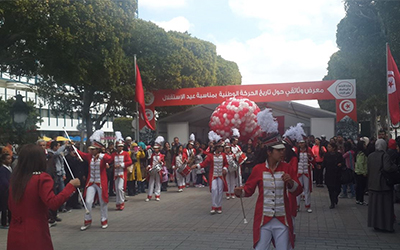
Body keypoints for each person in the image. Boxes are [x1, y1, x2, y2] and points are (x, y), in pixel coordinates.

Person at [234, 134, 302, 250]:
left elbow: (298, 191)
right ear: (269, 152)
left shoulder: (287, 168)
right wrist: (240, 192)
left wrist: (290, 182)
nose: (282, 153)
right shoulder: (258, 169)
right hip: (263, 218)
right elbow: (248, 190)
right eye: (279, 150)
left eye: (283, 150)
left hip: (282, 218)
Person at [7, 144, 80, 250]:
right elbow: (53, 203)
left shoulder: (16, 179)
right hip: (35, 232)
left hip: (15, 231)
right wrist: (70, 187)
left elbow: (11, 204)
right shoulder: (41, 178)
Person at [77, 141, 113, 231]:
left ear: (97, 150)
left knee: (102, 202)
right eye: (91, 149)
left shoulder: (103, 157)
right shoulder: (89, 157)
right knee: (88, 202)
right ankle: (87, 220)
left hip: (101, 182)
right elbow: (80, 154)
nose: (91, 151)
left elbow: (110, 159)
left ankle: (104, 220)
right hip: (91, 182)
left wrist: (101, 155)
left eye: (93, 149)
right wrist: (73, 147)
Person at [367, 139, 397, 232]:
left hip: (372, 184)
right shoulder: (385, 156)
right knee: (386, 206)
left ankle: (375, 224)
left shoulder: (370, 156)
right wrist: (395, 167)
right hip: (383, 185)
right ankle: (386, 226)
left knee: (374, 206)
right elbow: (387, 168)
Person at [192, 140, 228, 214]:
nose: (222, 148)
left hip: (221, 175)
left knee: (220, 191)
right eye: (221, 147)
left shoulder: (224, 155)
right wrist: (197, 166)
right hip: (213, 175)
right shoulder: (210, 156)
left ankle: (219, 206)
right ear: (217, 148)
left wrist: (225, 168)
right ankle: (214, 206)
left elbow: (226, 164)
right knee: (214, 189)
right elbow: (204, 164)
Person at [111, 140, 132, 211]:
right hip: (115, 174)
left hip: (122, 173)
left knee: (120, 188)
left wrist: (121, 165)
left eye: (121, 146)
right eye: (119, 146)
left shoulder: (125, 154)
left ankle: (121, 202)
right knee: (117, 189)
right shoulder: (113, 154)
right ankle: (118, 204)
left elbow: (129, 162)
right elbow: (110, 160)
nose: (120, 148)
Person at [323, 142, 343, 209]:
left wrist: (340, 164)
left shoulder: (338, 155)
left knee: (338, 188)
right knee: (330, 189)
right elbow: (324, 163)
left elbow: (343, 162)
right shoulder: (326, 155)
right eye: (328, 147)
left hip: (337, 174)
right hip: (329, 174)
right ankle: (332, 202)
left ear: (333, 148)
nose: (328, 148)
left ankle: (335, 196)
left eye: (329, 147)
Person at [296, 138, 314, 213]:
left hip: (306, 172)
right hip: (298, 172)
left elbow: (313, 160)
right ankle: (297, 206)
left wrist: (310, 157)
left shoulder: (309, 150)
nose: (301, 144)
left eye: (302, 143)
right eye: (300, 143)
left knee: (307, 189)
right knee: (297, 190)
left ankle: (307, 205)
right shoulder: (296, 150)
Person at [0, 153, 12, 229]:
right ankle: (3, 222)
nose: (10, 160)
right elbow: (4, 181)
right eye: (8, 159)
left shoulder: (10, 168)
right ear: (3, 160)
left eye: (10, 158)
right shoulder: (2, 169)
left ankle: (10, 221)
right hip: (4, 191)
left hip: (9, 190)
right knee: (4, 207)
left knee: (9, 206)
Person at [355, 139, 368, 205]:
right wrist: (364, 172)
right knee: (361, 187)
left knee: (359, 186)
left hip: (358, 172)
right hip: (361, 173)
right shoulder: (362, 154)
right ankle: (361, 200)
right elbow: (360, 164)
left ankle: (358, 199)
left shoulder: (358, 153)